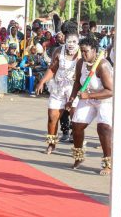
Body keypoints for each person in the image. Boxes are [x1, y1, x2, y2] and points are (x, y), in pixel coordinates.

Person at [66, 37, 114, 175]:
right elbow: (77, 83)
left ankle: (108, 163)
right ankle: (79, 156)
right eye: (81, 51)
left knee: (103, 128)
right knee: (76, 125)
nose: (84, 54)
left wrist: (89, 95)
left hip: (105, 99)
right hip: (87, 98)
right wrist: (71, 99)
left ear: (94, 50)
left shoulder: (102, 65)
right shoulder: (81, 62)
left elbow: (110, 91)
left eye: (86, 51)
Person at [35, 23, 80, 153]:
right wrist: (42, 81)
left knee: (76, 120)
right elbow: (53, 69)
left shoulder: (82, 52)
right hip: (58, 87)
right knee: (52, 116)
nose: (71, 44)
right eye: (68, 41)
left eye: (74, 41)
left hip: (74, 89)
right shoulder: (58, 51)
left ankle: (77, 149)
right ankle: (51, 143)